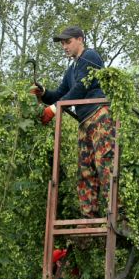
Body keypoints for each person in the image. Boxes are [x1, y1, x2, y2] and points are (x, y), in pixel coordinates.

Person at [32, 26, 115, 220]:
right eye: (62, 43)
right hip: (84, 122)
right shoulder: (71, 70)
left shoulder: (91, 57)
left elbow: (80, 88)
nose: (64, 47)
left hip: (99, 116)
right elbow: (60, 94)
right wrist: (44, 93)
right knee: (85, 171)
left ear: (80, 39)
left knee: (105, 164)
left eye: (67, 42)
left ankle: (117, 215)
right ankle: (88, 219)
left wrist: (53, 109)